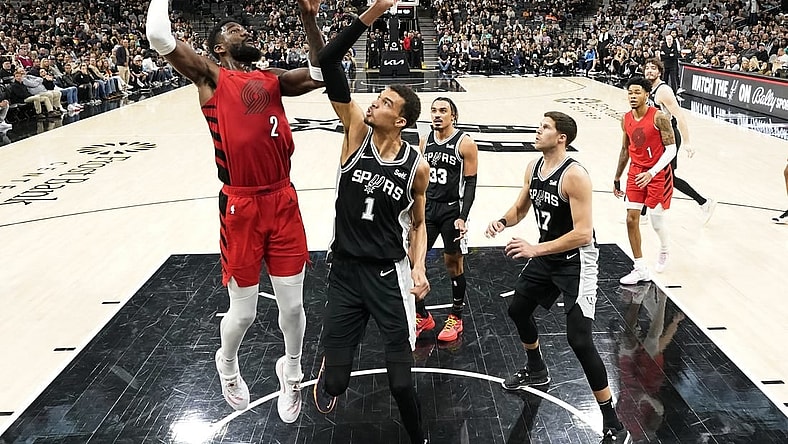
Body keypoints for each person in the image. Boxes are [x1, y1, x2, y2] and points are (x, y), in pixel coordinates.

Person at [146, 0, 325, 423]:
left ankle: (292, 371)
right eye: (232, 30)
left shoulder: (272, 79)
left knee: (294, 309)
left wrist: (308, 17)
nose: (242, 31)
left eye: (243, 28)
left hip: (282, 200)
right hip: (240, 205)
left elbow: (320, 72)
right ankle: (226, 362)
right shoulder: (211, 76)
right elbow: (158, 35)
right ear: (218, 49)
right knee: (243, 313)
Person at [311, 1, 430, 442]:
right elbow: (327, 61)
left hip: (387, 275)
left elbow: (417, 225)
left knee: (401, 383)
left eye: (383, 102)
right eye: (376, 98)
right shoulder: (355, 136)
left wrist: (418, 266)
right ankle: (334, 359)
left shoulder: (415, 166)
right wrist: (373, 13)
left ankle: (418, 437)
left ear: (398, 120)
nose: (373, 103)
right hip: (344, 272)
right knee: (336, 384)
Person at [485, 111, 630, 444]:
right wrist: (503, 222)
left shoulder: (575, 175)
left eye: (545, 127)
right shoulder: (535, 167)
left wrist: (535, 250)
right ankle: (536, 370)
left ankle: (613, 422)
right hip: (549, 254)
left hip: (577, 261)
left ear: (561, 137)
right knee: (518, 309)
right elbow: (521, 207)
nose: (538, 130)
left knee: (579, 340)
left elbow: (582, 234)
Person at [414, 96, 478, 342]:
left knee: (453, 265)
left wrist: (463, 217)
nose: (437, 115)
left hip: (452, 211)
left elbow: (471, 183)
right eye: (433, 111)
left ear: (453, 116)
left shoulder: (465, 143)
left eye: (443, 111)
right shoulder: (424, 141)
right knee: (415, 261)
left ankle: (456, 316)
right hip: (428, 209)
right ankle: (422, 315)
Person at [615, 77, 677, 284]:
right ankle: (640, 268)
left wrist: (652, 171)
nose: (632, 96)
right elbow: (625, 149)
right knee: (631, 218)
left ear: (647, 95)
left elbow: (671, 149)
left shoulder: (659, 117)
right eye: (630, 93)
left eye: (637, 92)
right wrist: (617, 177)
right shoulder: (625, 119)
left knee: (656, 221)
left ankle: (665, 249)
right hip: (635, 172)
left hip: (658, 173)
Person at [644, 58, 716, 225]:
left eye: (653, 68)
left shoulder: (663, 91)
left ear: (660, 72)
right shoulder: (647, 89)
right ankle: (704, 203)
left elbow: (680, 116)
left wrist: (687, 142)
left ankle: (704, 203)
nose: (649, 71)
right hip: (657, 137)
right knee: (657, 173)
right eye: (647, 68)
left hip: (669, 137)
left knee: (662, 174)